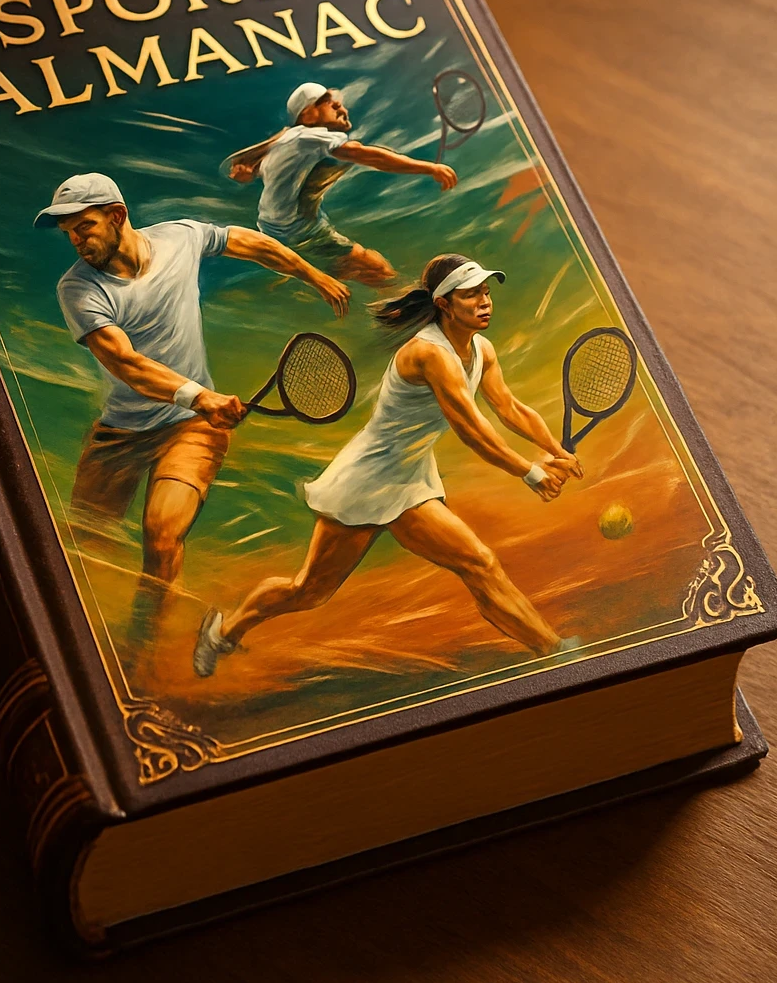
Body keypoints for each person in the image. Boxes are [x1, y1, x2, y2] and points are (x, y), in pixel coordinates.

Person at [193, 253, 583, 675]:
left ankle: (555, 652)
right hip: (368, 479)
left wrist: (555, 449)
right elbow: (472, 429)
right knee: (308, 590)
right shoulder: (429, 354)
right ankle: (223, 633)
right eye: (471, 295)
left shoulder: (481, 349)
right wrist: (530, 471)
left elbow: (509, 407)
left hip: (409, 481)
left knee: (479, 563)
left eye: (486, 292)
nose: (484, 301)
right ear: (444, 304)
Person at [34, 172, 351, 607]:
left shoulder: (179, 238)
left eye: (83, 226)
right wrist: (201, 395)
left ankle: (144, 654)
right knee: (87, 550)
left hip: (192, 428)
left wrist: (313, 274)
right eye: (69, 233)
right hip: (120, 434)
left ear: (117, 215)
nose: (75, 240)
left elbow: (250, 242)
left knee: (162, 537)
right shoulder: (77, 288)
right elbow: (126, 363)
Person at [227, 82, 458, 286]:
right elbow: (370, 156)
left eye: (339, 104)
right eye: (329, 104)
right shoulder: (312, 137)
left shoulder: (286, 142)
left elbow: (260, 172)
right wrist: (429, 168)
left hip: (273, 228)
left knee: (350, 268)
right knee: (378, 268)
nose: (341, 108)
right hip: (300, 231)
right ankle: (401, 304)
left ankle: (317, 274)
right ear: (308, 117)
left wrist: (246, 174)